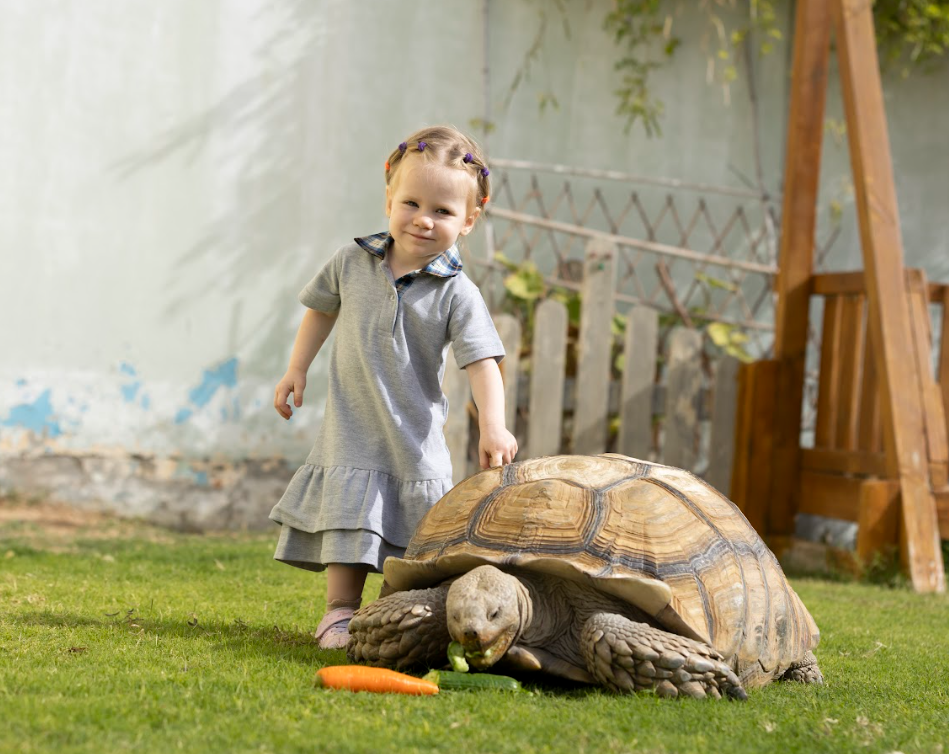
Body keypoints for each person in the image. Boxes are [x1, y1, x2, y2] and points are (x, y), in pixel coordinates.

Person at [270, 125, 518, 649]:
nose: (424, 219)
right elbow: (320, 311)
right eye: (411, 202)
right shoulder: (351, 263)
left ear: (469, 220)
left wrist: (493, 424)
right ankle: (339, 613)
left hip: (413, 435)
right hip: (353, 426)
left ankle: (392, 616)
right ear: (389, 199)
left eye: (444, 211)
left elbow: (483, 362)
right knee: (351, 518)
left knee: (411, 533)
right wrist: (297, 369)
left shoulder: (458, 293)